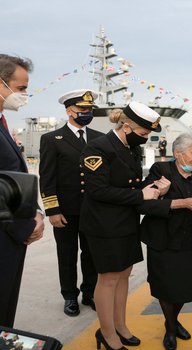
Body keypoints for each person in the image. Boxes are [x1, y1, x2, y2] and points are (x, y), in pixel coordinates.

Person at [79, 101, 162, 350]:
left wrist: (154, 186)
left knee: (124, 274)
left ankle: (120, 325)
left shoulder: (129, 148)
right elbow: (97, 190)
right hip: (103, 224)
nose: (145, 139)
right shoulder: (98, 147)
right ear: (127, 127)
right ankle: (107, 333)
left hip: (125, 221)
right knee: (108, 278)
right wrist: (140, 196)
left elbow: (130, 183)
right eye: (143, 134)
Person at [140, 133, 192, 350]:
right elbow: (143, 205)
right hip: (164, 241)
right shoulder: (161, 172)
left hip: (191, 242)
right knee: (166, 288)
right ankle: (170, 329)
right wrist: (179, 203)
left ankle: (173, 320)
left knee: (185, 289)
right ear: (178, 154)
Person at [39, 89, 104, 316]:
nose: (87, 113)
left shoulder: (99, 138)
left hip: (93, 210)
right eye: (82, 109)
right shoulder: (52, 139)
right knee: (66, 255)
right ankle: (69, 296)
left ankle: (90, 293)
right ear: (69, 110)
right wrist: (52, 210)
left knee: (91, 254)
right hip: (66, 210)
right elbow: (47, 178)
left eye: (90, 110)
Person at [0, 54, 44, 327]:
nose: (25, 94)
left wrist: (35, 212)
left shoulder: (3, 123)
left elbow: (14, 175)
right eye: (20, 88)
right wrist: (25, 225)